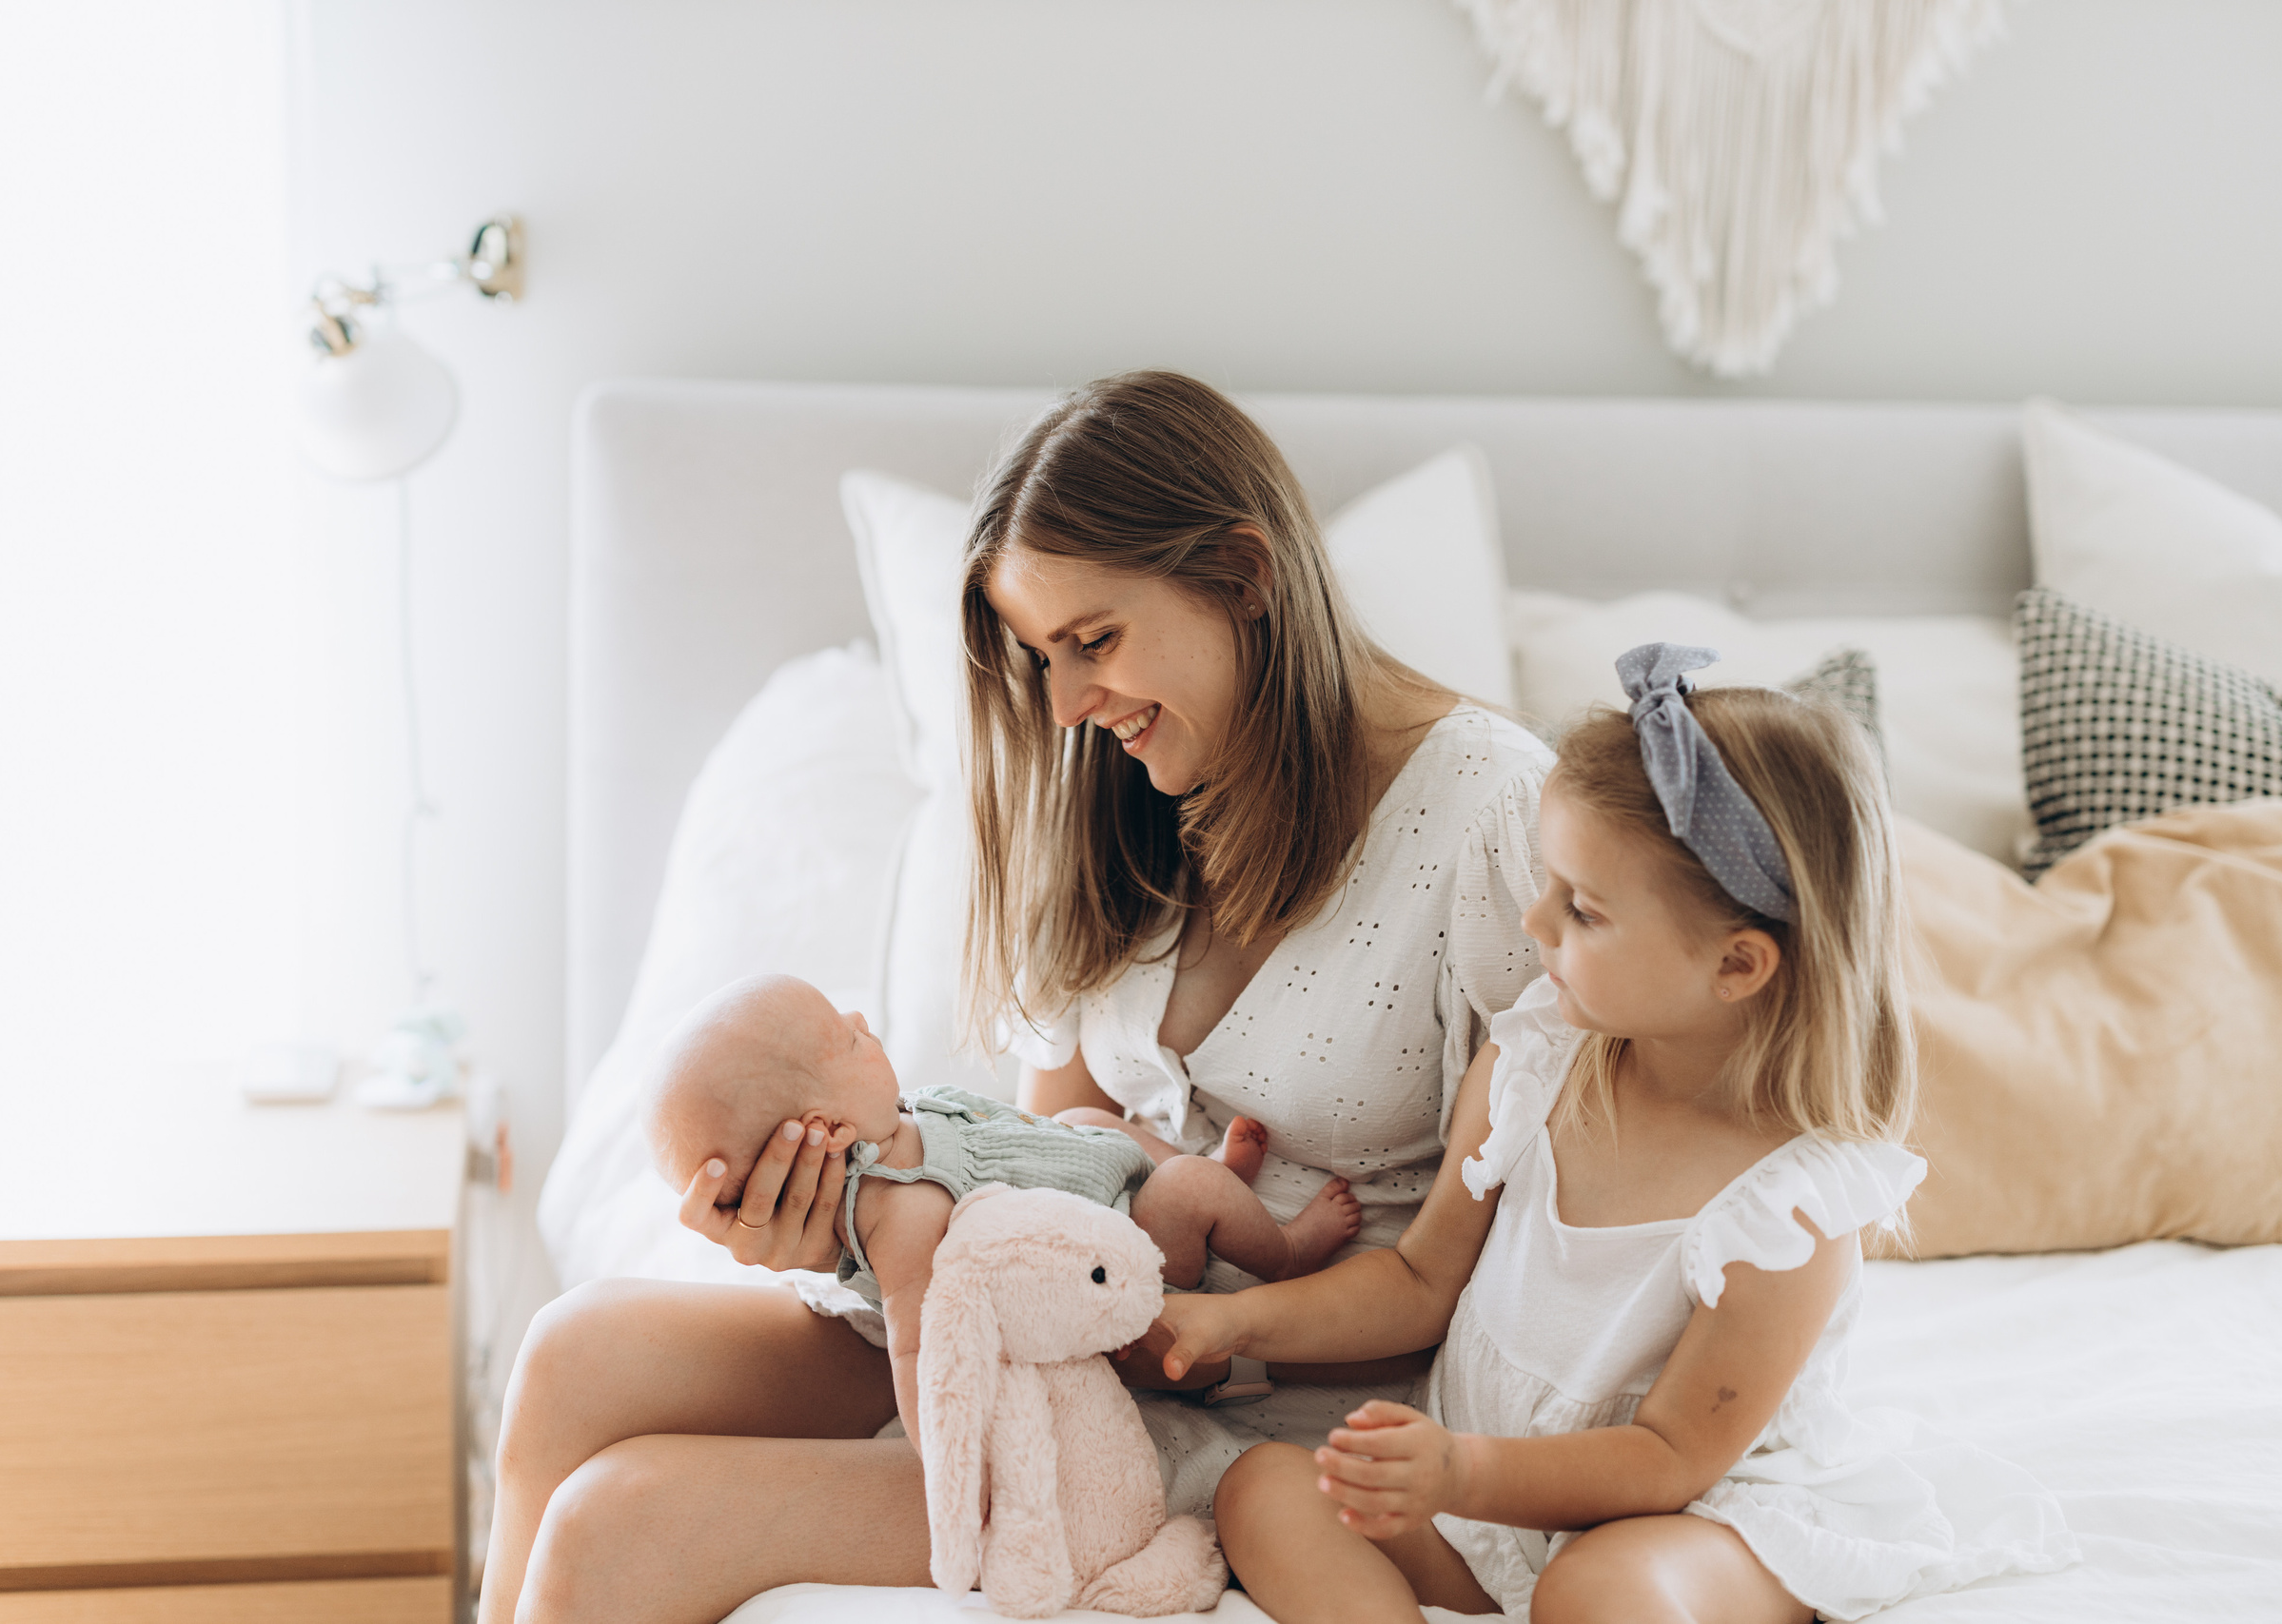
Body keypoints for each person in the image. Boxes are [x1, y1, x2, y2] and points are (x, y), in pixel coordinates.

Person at [478, 370, 1555, 1624]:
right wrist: (845, 1235)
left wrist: (1196, 1317)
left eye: (1093, 640)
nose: (1067, 706)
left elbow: (1496, 1279)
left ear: (1245, 574)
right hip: (1036, 1323)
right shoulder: (1123, 793)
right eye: (1042, 657)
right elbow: (1055, 1145)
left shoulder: (1497, 819)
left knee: (622, 1520)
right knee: (568, 1354)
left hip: (1244, 1398)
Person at [1148, 647, 2078, 1623]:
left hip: (1690, 1510)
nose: (1533, 919)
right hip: (1485, 1500)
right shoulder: (1531, 1066)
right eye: (1550, 885)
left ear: (1737, 965)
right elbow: (1419, 1284)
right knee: (1266, 1488)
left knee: (1601, 1589)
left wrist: (1464, 1472)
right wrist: (1235, 1325)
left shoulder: (1786, 1210)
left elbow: (1670, 1455)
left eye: (1581, 909)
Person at [642, 972, 1365, 1446]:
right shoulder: (902, 1212)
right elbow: (919, 1344)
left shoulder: (898, 1126)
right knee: (1183, 1194)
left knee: (1086, 1114)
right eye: (848, 1036)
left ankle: (1213, 1185)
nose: (864, 1018)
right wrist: (944, 1447)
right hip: (1129, 1266)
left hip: (1103, 1186)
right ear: (827, 1130)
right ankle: (1287, 1248)